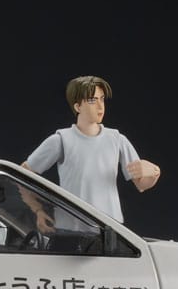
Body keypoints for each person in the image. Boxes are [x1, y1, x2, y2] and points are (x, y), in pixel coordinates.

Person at [21, 75, 160, 232]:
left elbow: (141, 184)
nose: (100, 106)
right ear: (78, 107)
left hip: (109, 228)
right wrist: (37, 210)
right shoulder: (61, 140)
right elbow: (23, 173)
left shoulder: (117, 139)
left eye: (102, 99)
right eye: (92, 100)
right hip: (70, 228)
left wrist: (154, 172)